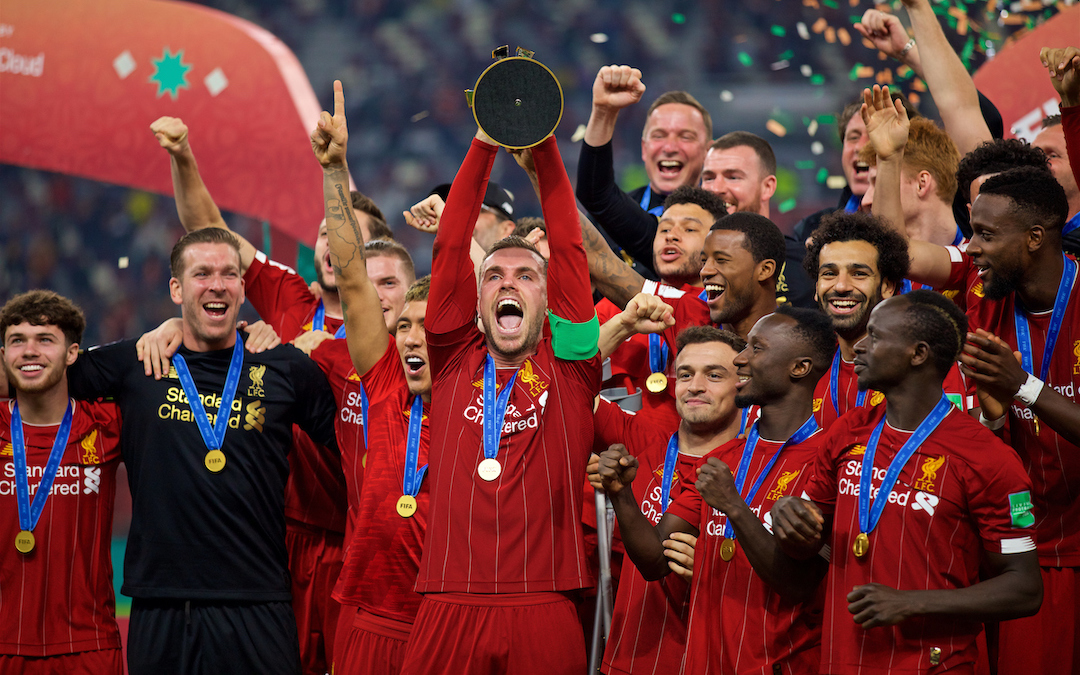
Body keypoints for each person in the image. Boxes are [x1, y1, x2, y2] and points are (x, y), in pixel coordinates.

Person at [152, 115, 409, 674]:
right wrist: (184, 156)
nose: (328, 243)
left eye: (343, 235)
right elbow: (211, 235)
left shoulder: (403, 338)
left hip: (363, 535)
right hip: (284, 536)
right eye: (322, 233)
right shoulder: (290, 300)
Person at [65, 227, 340, 675]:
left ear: (243, 287)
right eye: (202, 274)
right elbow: (37, 371)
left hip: (260, 604)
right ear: (176, 288)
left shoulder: (284, 366)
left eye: (229, 273)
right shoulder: (138, 359)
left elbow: (357, 443)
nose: (217, 284)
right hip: (161, 605)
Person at [398, 108, 603, 673]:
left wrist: (545, 146)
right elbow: (448, 248)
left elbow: (568, 249)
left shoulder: (573, 369)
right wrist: (485, 140)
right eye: (494, 275)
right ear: (479, 305)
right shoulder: (450, 361)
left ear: (547, 299)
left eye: (526, 276)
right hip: (447, 600)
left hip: (545, 601)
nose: (509, 282)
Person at [771, 291, 1043, 674]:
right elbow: (812, 540)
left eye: (876, 337)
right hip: (842, 659)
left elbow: (1025, 588)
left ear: (918, 354)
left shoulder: (988, 458)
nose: (860, 347)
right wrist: (787, 516)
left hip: (932, 664)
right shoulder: (848, 431)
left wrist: (913, 602)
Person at [597, 306, 837, 673]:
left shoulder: (830, 459)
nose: (741, 360)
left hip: (781, 663)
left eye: (755, 349)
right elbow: (655, 562)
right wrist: (622, 493)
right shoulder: (723, 459)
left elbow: (800, 583)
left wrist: (734, 507)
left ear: (799, 368)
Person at [305, 80, 435, 675]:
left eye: (421, 324)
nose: (407, 335)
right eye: (400, 326)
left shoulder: (475, 389)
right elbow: (351, 279)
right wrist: (336, 171)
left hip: (448, 607)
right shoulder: (378, 378)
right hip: (368, 606)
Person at [590, 325, 745, 675]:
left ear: (744, 384)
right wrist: (623, 323)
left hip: (709, 664)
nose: (695, 386)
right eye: (686, 374)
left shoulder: (749, 468)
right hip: (625, 661)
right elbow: (573, 385)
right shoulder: (645, 444)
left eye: (714, 375)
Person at [0, 291, 123, 674]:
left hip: (89, 645)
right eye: (17, 341)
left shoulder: (107, 423)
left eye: (45, 340)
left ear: (73, 353)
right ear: (3, 354)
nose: (30, 351)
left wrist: (169, 327)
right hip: (5, 643)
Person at [803, 211, 973, 428]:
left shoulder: (922, 364)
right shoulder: (807, 363)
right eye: (829, 273)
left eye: (859, 274)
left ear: (888, 286)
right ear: (817, 288)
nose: (841, 286)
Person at [576, 65, 712, 279]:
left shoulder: (720, 225)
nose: (670, 147)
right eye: (659, 135)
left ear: (707, 151)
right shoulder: (603, 219)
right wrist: (603, 111)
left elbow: (596, 195)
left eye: (685, 136)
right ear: (644, 148)